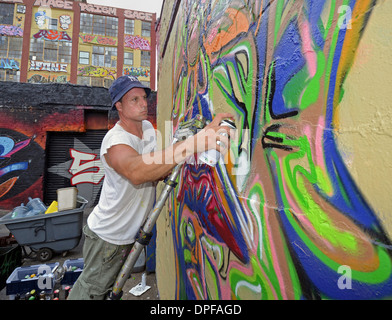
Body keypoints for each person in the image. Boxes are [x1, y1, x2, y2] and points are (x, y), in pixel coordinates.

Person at [67, 75, 234, 300]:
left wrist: (202, 135)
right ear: (119, 106)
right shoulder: (115, 141)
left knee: (107, 292)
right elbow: (137, 172)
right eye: (134, 100)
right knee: (91, 292)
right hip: (108, 235)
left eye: (144, 97)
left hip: (129, 233)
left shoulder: (146, 128)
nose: (144, 104)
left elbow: (159, 167)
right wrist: (194, 143)